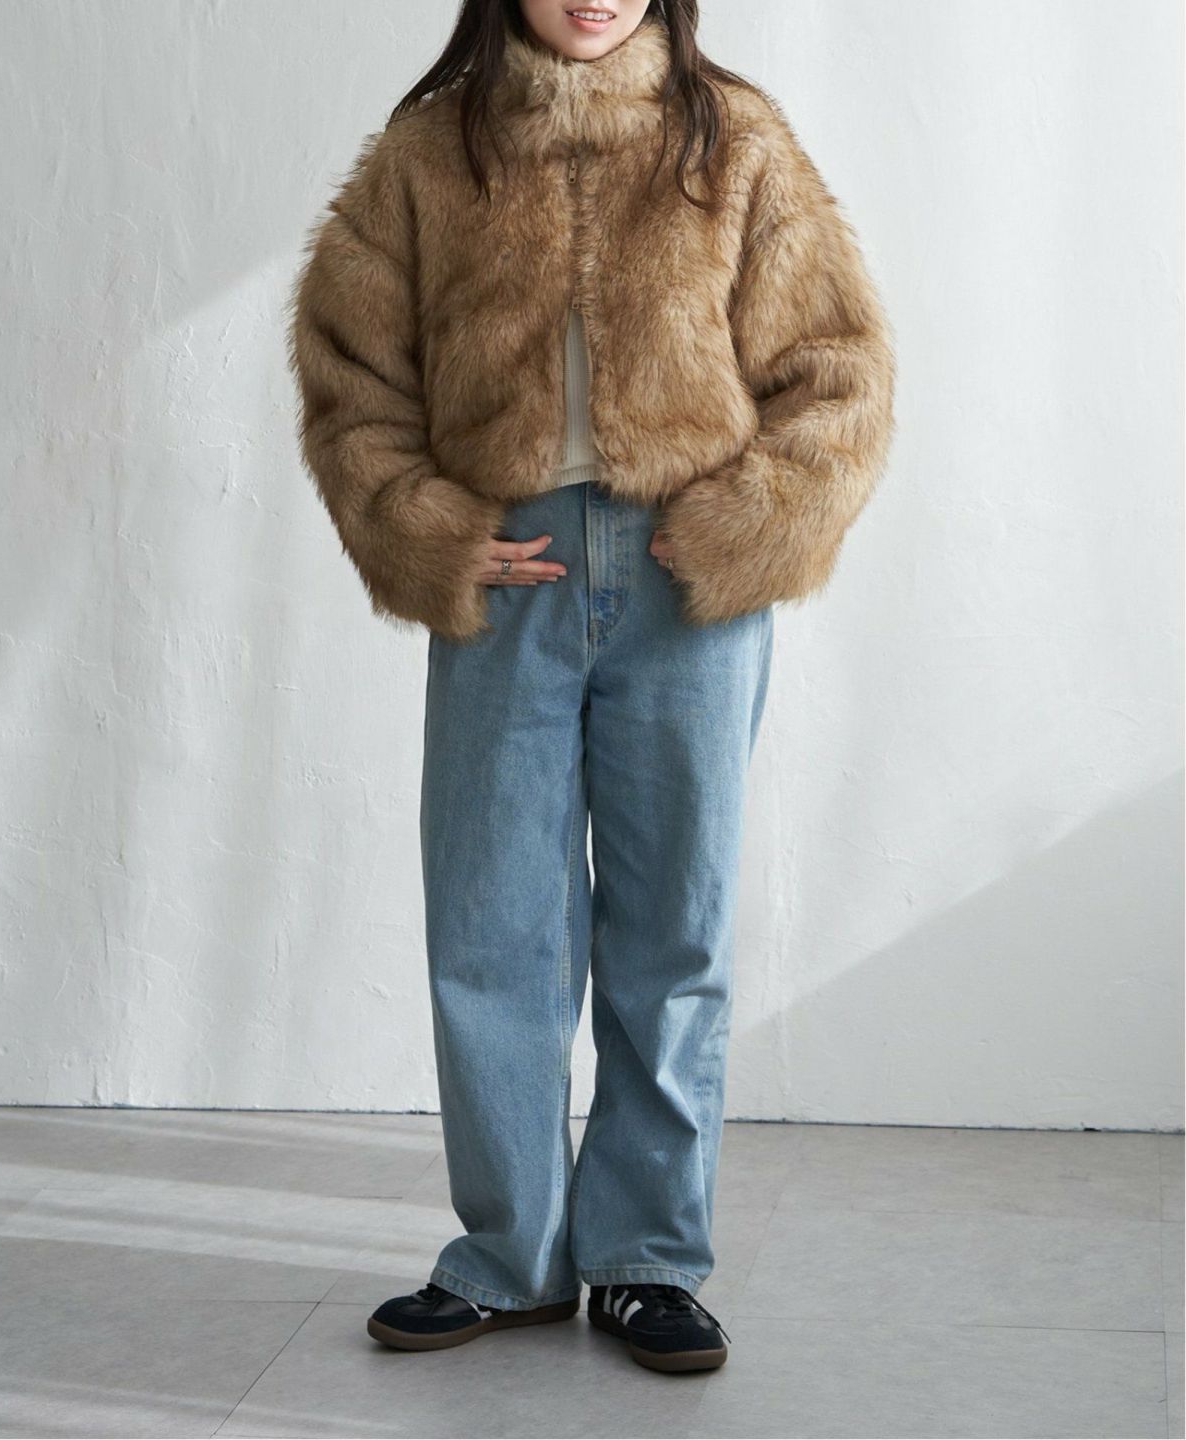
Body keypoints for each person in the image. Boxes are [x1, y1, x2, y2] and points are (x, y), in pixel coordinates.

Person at [288, 0, 895, 1375]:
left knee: (673, 926)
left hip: (690, 583)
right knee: (493, 922)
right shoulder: (431, 152)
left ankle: (648, 1259)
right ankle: (510, 1256)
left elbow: (839, 370)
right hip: (508, 574)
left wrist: (745, 522)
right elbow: (348, 375)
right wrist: (427, 528)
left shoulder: (731, 139)